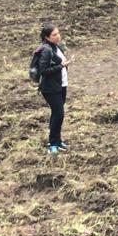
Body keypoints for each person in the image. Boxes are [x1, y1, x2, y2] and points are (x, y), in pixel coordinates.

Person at [35, 24, 71, 154]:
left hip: (61, 84)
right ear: (47, 37)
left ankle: (57, 140)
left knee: (57, 114)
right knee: (59, 113)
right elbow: (43, 70)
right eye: (54, 35)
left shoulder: (57, 47)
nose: (58, 36)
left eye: (58, 33)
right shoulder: (46, 50)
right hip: (50, 87)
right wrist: (61, 66)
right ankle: (52, 143)